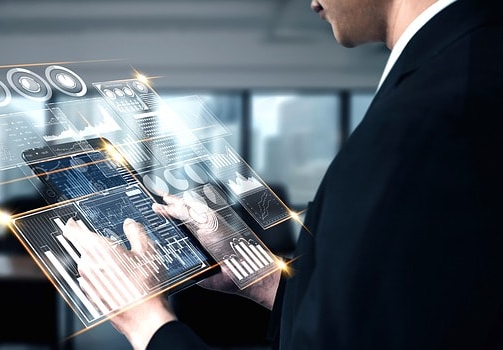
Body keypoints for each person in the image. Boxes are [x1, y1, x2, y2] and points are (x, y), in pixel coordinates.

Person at [69, 0, 503, 348]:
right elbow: (393, 312)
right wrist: (260, 278)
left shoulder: (437, 111)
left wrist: (148, 322)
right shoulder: (456, 68)